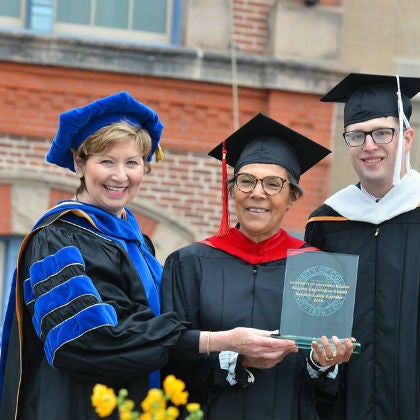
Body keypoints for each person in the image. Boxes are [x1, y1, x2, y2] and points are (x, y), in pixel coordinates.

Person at [0, 94, 307, 420]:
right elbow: (84, 342)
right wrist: (216, 340)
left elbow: (150, 334)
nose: (120, 176)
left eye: (132, 163)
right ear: (78, 163)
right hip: (75, 408)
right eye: (106, 161)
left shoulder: (137, 244)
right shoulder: (58, 239)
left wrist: (234, 352)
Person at [161, 113, 355, 420]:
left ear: (292, 197)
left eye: (273, 184)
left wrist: (324, 362)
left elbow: (328, 389)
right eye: (246, 181)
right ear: (232, 191)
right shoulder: (190, 264)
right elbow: (170, 357)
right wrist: (238, 360)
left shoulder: (317, 269)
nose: (257, 192)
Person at [305, 73, 420, 420]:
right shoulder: (326, 223)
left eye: (382, 132)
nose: (369, 146)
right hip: (345, 406)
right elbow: (312, 325)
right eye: (357, 135)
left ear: (407, 137)